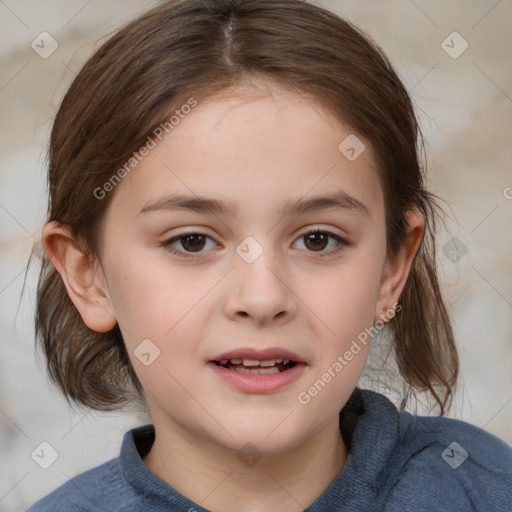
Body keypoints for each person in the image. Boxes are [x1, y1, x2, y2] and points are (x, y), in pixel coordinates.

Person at [25, 0, 512, 510]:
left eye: (318, 239)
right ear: (88, 276)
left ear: (393, 269)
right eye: (191, 241)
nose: (262, 298)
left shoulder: (483, 491)